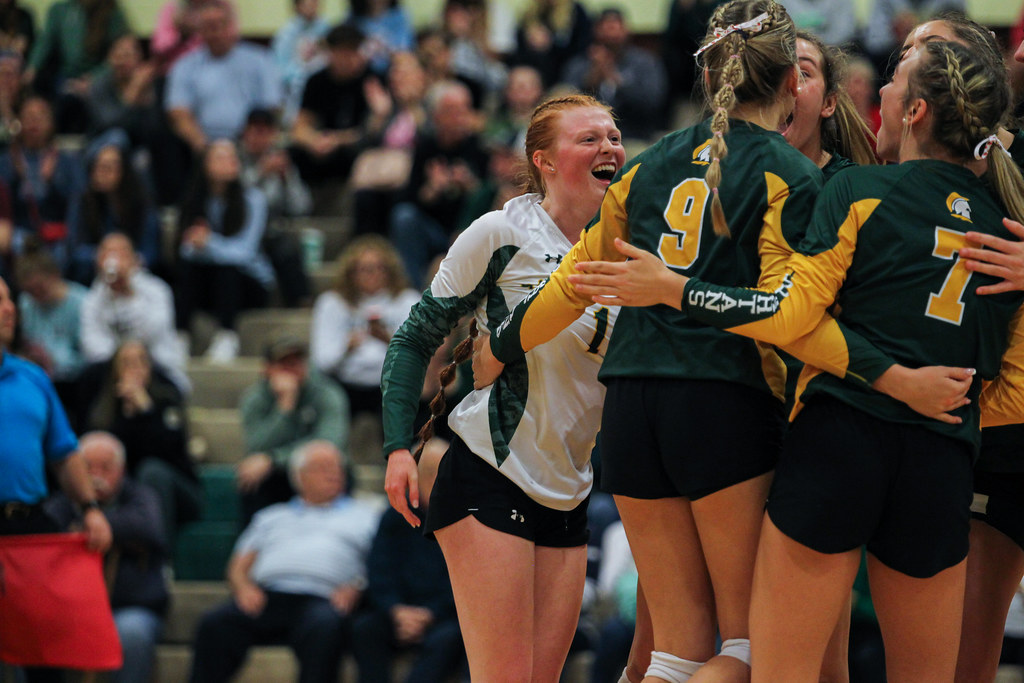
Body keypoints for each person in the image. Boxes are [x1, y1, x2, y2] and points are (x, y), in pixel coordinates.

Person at [569, 39, 1023, 682]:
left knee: (753, 663)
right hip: (940, 460)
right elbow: (1017, 388)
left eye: (893, 82)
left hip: (831, 442)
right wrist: (951, 397)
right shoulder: (1009, 227)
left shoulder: (856, 190)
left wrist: (674, 288)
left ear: (916, 111)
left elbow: (791, 318)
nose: (882, 93)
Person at [480, 4, 816, 681]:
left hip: (631, 405)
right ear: (788, 83)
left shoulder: (645, 164)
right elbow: (784, 314)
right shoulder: (789, 173)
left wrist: (504, 342)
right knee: (749, 649)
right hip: (721, 400)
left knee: (676, 651)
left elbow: (577, 281)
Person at [381, 92, 625, 681]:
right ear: (542, 160)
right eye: (587, 138)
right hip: (491, 474)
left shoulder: (629, 246)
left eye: (614, 136)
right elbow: (415, 338)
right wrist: (396, 448)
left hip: (570, 489)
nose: (608, 148)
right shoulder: (502, 230)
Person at [189, 440, 380, 683]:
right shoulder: (271, 516)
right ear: (299, 477)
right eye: (322, 467)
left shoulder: (365, 515)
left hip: (324, 599)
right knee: (214, 623)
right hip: (268, 597)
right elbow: (238, 565)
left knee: (325, 626)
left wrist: (358, 586)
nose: (333, 473)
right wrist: (244, 588)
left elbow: (380, 562)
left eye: (337, 467)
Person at [0, 273, 112, 683]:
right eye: (0, 301)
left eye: (10, 299)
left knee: (46, 658)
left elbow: (64, 453)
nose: (10, 309)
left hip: (28, 528)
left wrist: (90, 509)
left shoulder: (33, 377)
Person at [46, 431, 170, 683]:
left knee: (132, 633)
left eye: (106, 467)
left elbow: (150, 526)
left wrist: (96, 525)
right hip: (71, 610)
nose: (96, 476)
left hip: (128, 606)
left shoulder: (141, 497)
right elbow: (45, 532)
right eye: (87, 467)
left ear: (122, 470)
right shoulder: (62, 503)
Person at [352, 438, 465, 682]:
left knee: (451, 638)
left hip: (444, 616)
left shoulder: (465, 522)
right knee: (365, 630)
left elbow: (469, 584)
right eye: (430, 473)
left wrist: (430, 614)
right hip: (397, 613)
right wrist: (396, 610)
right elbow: (378, 571)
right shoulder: (394, 517)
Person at [79, 340, 201, 543]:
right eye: (126, 363)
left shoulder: (167, 399)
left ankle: (160, 559)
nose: (134, 370)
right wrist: (128, 414)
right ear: (115, 370)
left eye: (140, 362)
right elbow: (105, 453)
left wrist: (146, 412)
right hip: (124, 489)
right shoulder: (103, 409)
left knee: (152, 471)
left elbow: (171, 453)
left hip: (177, 490)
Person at [174, 139, 274, 362]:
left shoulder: (253, 199)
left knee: (226, 269)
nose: (229, 162)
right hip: (208, 285)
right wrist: (200, 245)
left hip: (248, 284)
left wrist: (208, 243)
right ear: (205, 164)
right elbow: (185, 251)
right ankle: (180, 337)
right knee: (190, 270)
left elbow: (245, 253)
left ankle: (227, 336)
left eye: (233, 157)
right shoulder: (194, 200)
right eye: (220, 157)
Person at [237, 335, 350, 526]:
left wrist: (274, 459)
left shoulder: (328, 394)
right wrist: (284, 408)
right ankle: (256, 541)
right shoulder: (254, 399)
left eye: (297, 362)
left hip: (314, 466)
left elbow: (329, 444)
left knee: (332, 469)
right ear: (267, 368)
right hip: (276, 476)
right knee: (250, 476)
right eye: (284, 364)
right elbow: (256, 447)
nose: (292, 369)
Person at [388, 79, 489, 288]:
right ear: (436, 116)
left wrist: (472, 189)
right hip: (435, 231)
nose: (460, 117)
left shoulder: (480, 146)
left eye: (465, 109)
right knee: (403, 217)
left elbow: (494, 196)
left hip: (470, 230)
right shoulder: (426, 148)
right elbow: (409, 197)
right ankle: (414, 292)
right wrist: (433, 189)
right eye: (452, 110)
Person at [310, 235, 419, 422]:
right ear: (351, 273)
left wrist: (390, 341)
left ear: (390, 271)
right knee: (321, 390)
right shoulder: (331, 303)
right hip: (343, 384)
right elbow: (322, 362)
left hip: (392, 383)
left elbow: (419, 357)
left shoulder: (408, 300)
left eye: (380, 268)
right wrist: (347, 346)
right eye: (365, 269)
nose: (373, 274)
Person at [165, 0, 282, 155]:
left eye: (222, 24)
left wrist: (254, 142)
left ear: (233, 26)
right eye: (210, 26)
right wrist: (205, 148)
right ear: (200, 30)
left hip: (252, 145)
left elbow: (272, 106)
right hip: (204, 147)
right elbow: (179, 113)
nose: (217, 31)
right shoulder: (185, 66)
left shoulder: (260, 60)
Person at [80, 232, 189, 395]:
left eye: (121, 253)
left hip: (157, 366)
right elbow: (92, 345)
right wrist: (123, 364)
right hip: (111, 372)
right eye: (108, 253)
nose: (114, 259)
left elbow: (153, 333)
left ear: (135, 259)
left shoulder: (157, 290)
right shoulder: (92, 299)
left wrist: (128, 293)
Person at [289, 22, 384, 186]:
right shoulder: (316, 82)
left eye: (354, 51)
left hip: (356, 146)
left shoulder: (372, 80)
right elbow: (300, 126)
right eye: (343, 52)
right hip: (322, 146)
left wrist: (336, 140)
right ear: (330, 52)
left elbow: (371, 131)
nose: (350, 59)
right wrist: (313, 140)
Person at [561, 8, 667, 141]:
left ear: (627, 31)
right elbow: (564, 104)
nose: (611, 35)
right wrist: (591, 81)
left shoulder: (645, 62)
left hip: (633, 136)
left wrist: (615, 80)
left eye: (616, 29)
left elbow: (652, 102)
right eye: (606, 29)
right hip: (586, 138)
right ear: (596, 31)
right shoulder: (580, 64)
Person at [69, 138, 161, 283]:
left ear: (124, 170)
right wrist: (104, 257)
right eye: (98, 167)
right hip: (94, 273)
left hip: (135, 273)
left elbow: (151, 250)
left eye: (109, 167)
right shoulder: (83, 201)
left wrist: (127, 261)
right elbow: (75, 248)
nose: (102, 173)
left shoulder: (141, 202)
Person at [14, 247, 88, 410]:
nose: (36, 295)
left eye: (40, 288)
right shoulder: (27, 302)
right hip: (38, 376)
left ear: (55, 276)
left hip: (72, 380)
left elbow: (88, 356)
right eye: (30, 291)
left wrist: (56, 361)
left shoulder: (82, 302)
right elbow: (28, 341)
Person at [271, 0, 329, 125]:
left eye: (314, 2)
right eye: (306, 3)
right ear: (296, 6)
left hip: (323, 89)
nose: (311, 6)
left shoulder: (327, 30)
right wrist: (302, 77)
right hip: (294, 92)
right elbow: (279, 68)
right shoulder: (286, 34)